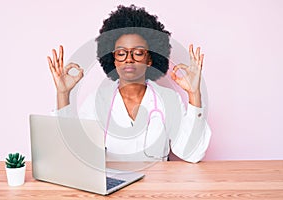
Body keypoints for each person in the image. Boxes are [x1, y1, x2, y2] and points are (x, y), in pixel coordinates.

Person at [47, 5, 211, 163]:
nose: (129, 58)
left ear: (150, 59)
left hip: (157, 187)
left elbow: (193, 153)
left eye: (138, 52)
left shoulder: (169, 99)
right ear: (114, 60)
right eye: (121, 53)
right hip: (112, 187)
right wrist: (63, 94)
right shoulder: (98, 100)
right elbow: (74, 150)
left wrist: (194, 94)